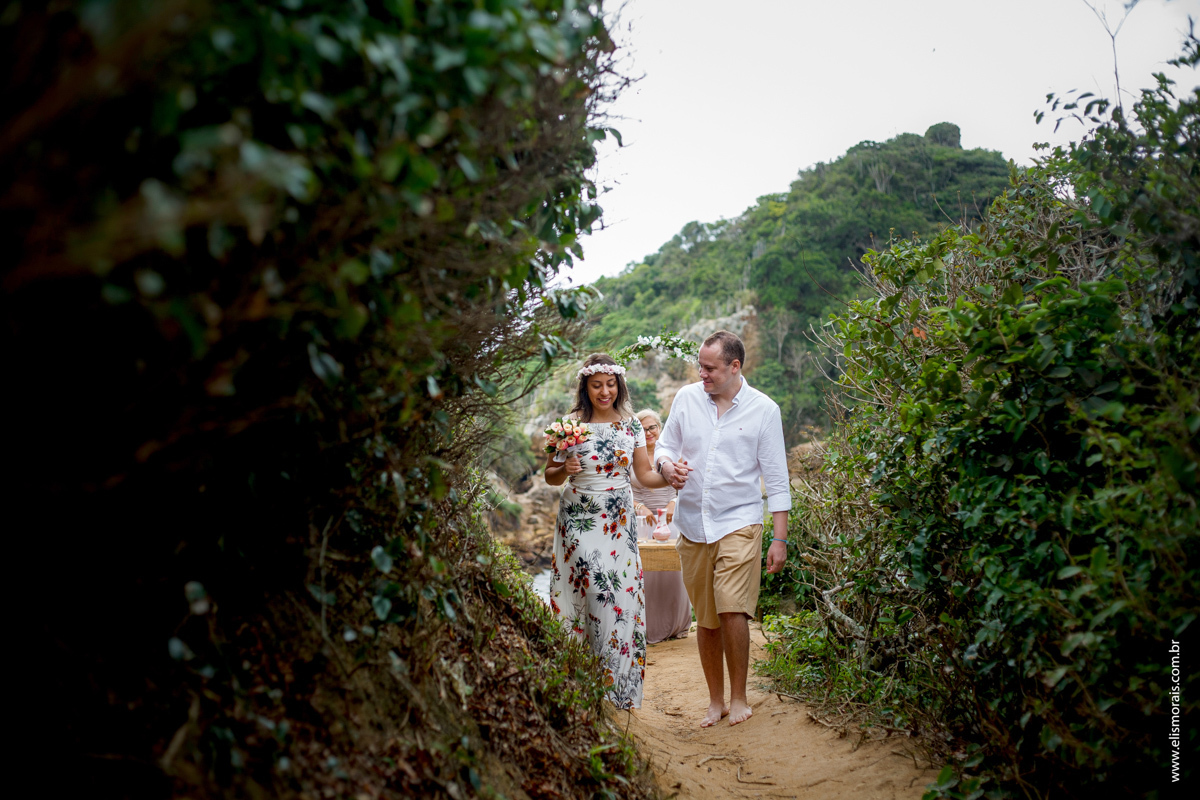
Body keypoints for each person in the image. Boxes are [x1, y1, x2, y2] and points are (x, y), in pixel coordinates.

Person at [653, 330, 791, 727]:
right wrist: (667, 467)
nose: (702, 374)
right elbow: (664, 446)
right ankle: (716, 701)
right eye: (700, 366)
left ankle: (740, 697)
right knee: (707, 618)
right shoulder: (686, 399)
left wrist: (779, 539)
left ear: (734, 366)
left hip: (739, 521)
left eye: (709, 368)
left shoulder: (764, 410)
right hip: (693, 525)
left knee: (732, 609)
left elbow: (777, 481)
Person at [544, 353, 673, 710]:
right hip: (579, 518)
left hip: (618, 520)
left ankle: (616, 689)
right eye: (597, 385)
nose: (605, 392)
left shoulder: (631, 426)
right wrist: (565, 468)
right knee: (593, 593)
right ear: (585, 387)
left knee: (618, 598)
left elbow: (644, 475)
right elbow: (550, 475)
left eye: (611, 385)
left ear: (619, 385)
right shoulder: (568, 425)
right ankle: (579, 682)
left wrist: (670, 477)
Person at [630, 408, 693, 643]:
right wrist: (640, 507)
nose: (648, 433)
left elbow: (688, 484)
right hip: (642, 523)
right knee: (646, 575)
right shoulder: (630, 456)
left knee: (674, 574)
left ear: (660, 428)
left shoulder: (672, 454)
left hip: (670, 521)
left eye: (652, 427)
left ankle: (675, 625)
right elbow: (624, 491)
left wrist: (674, 503)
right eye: (642, 429)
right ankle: (648, 627)